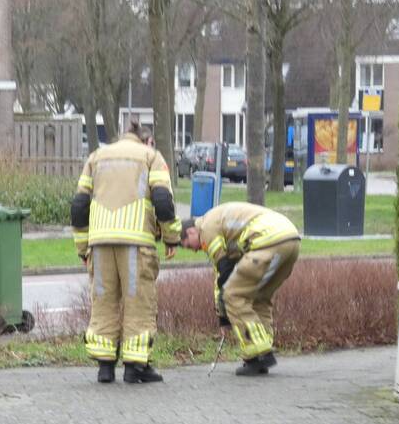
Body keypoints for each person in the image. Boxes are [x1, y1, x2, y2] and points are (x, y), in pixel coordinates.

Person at [71, 122, 182, 384]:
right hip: (136, 242)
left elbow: (78, 206)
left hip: (99, 244)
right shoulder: (150, 157)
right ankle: (135, 368)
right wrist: (171, 238)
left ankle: (105, 368)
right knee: (138, 304)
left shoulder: (96, 157)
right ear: (148, 140)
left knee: (104, 302)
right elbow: (163, 200)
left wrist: (82, 247)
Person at [180, 202, 300, 376]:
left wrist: (226, 309)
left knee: (234, 295)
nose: (195, 250)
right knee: (259, 297)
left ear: (191, 232)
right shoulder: (225, 230)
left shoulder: (206, 227)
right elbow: (223, 274)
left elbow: (224, 272)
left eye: (189, 245)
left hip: (266, 241)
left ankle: (258, 353)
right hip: (291, 239)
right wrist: (223, 318)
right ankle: (262, 348)